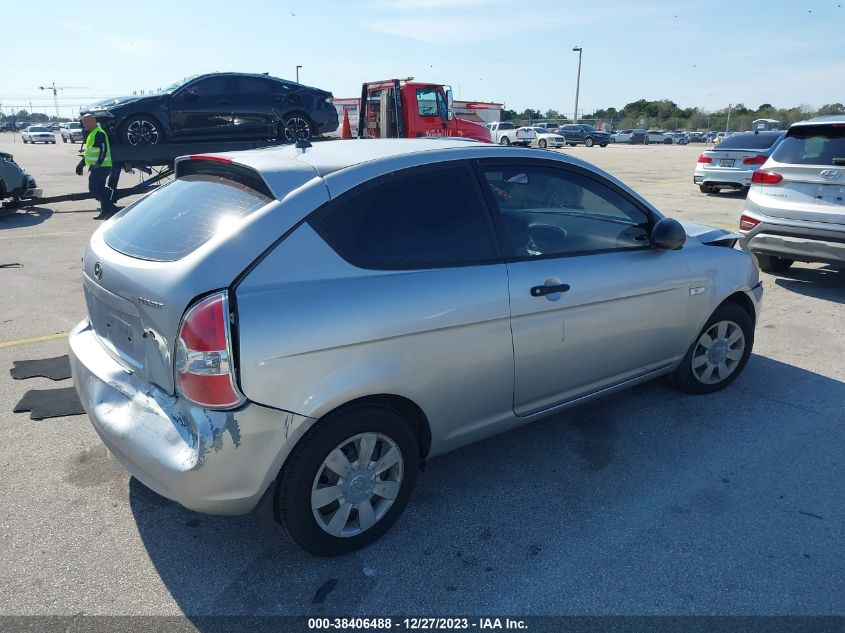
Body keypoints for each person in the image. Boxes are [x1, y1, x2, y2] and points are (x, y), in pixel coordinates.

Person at [75, 114, 118, 220]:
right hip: (99, 167)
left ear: (90, 122)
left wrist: (99, 162)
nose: (83, 125)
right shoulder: (92, 133)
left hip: (102, 167)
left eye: (85, 122)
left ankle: (112, 208)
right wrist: (81, 164)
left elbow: (103, 149)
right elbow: (90, 152)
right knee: (100, 189)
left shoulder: (98, 133)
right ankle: (105, 212)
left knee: (94, 189)